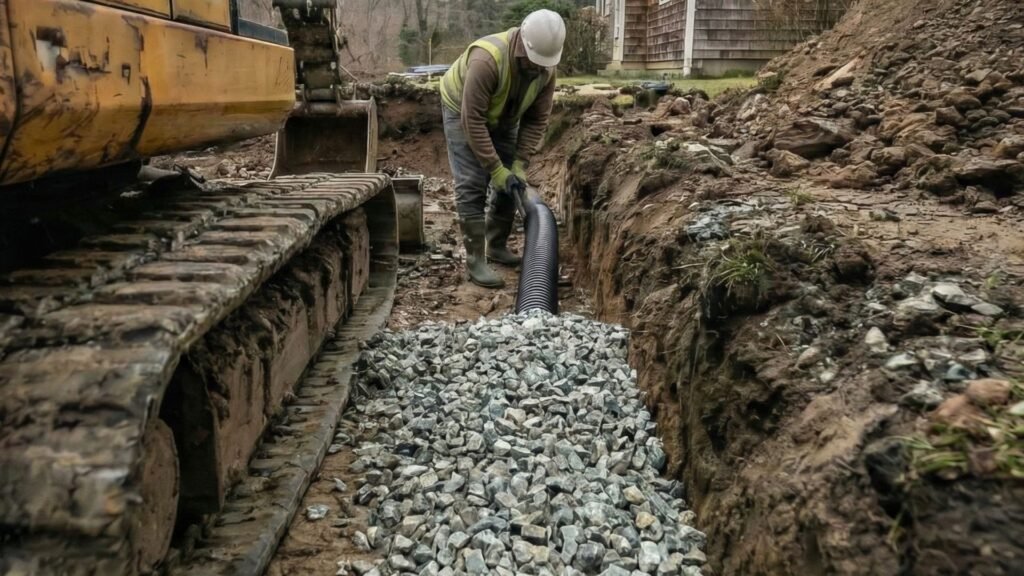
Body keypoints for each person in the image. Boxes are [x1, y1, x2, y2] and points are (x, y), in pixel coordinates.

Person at [440, 9, 565, 288]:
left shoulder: (546, 69)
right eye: (533, 63)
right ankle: (475, 261)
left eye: (542, 65)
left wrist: (518, 164)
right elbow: (472, 120)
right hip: (461, 109)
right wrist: (494, 169)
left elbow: (537, 119)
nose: (537, 69)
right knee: (472, 181)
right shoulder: (487, 60)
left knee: (512, 182)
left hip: (504, 116)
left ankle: (495, 244)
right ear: (523, 43)